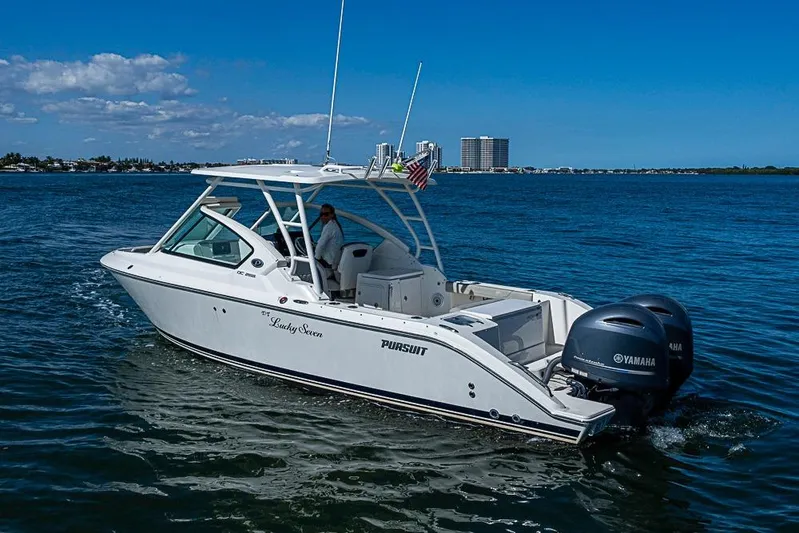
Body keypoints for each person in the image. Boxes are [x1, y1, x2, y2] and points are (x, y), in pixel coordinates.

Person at [314, 203, 343, 269]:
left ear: (332, 215)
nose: (323, 217)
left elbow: (320, 245)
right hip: (335, 261)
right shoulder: (335, 225)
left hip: (328, 263)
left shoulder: (330, 227)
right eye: (321, 214)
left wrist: (315, 260)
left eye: (326, 214)